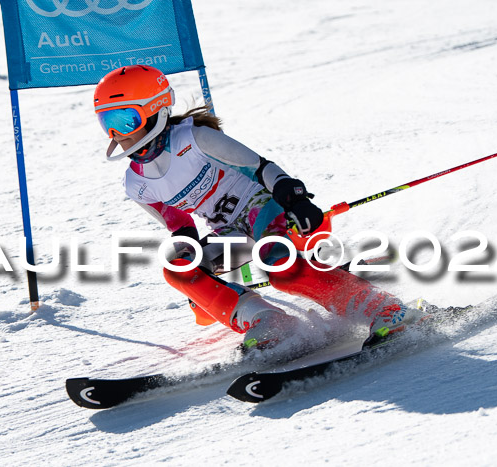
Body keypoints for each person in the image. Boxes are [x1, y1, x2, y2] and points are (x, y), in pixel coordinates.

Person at [94, 65, 425, 350]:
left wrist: (295, 199)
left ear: (157, 109)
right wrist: (198, 281)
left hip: (264, 209)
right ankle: (268, 323)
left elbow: (261, 168)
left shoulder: (194, 139)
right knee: (176, 267)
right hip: (230, 232)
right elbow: (180, 227)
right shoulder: (136, 184)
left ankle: (384, 310)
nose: (115, 134)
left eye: (124, 120)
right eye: (106, 122)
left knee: (279, 267)